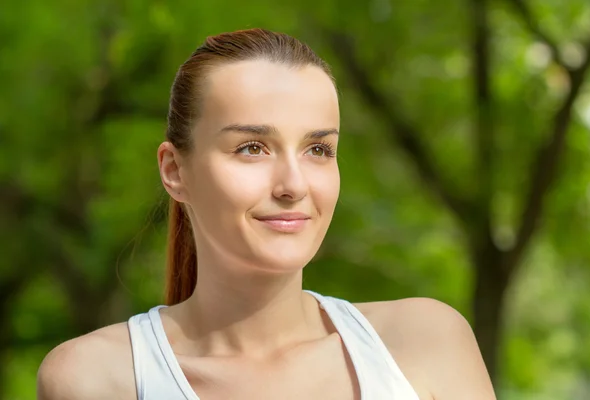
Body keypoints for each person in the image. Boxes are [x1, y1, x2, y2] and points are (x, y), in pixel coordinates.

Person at [37, 28, 496, 399]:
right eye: (252, 148)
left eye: (318, 149)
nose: (294, 185)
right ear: (175, 170)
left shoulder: (425, 342)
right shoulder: (98, 378)